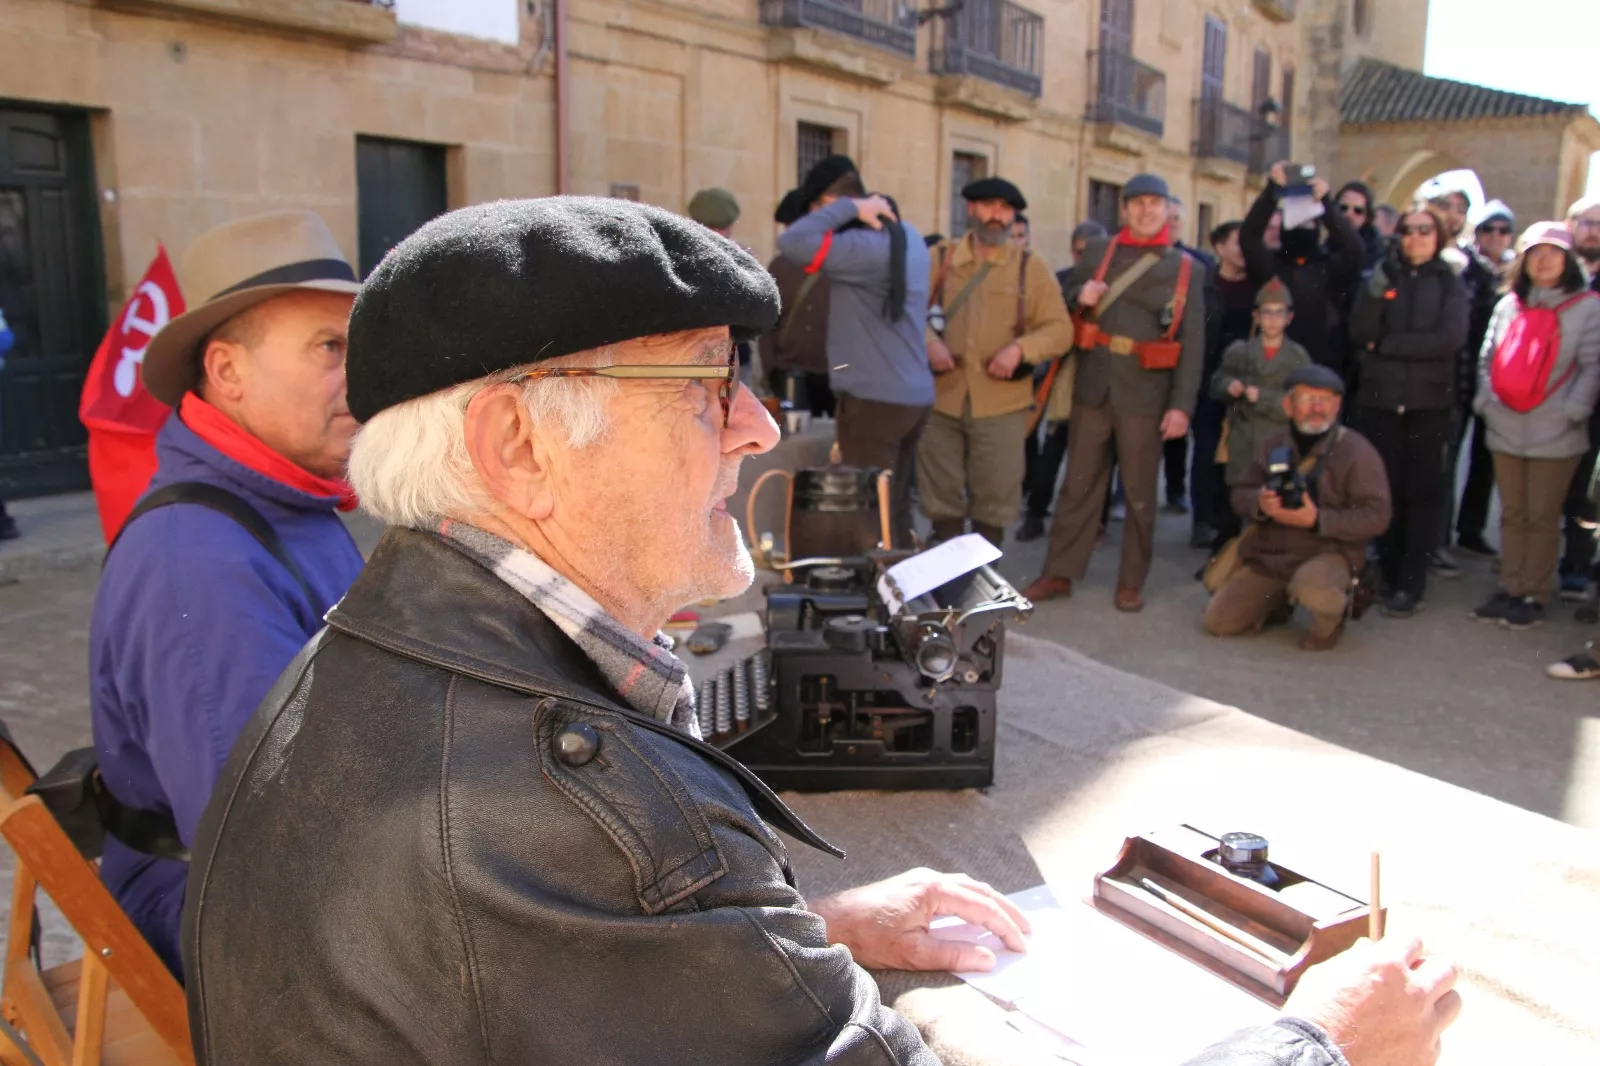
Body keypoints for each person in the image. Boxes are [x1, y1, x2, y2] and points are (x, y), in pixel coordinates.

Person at [183, 196, 1461, 1066]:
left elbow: (545, 981)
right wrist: (1322, 1041)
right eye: (700, 385)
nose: (753, 430)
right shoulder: (579, 823)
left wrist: (806, 932)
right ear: (515, 444)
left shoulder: (375, 644)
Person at [88, 211, 366, 978]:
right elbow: (262, 853)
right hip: (223, 924)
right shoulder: (198, 558)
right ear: (227, 372)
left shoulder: (294, 499)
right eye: (330, 348)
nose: (361, 375)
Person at [1022, 173, 1204, 613]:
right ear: (1124, 210)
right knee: (1078, 485)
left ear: (1166, 210)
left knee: (1141, 495)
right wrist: (1079, 294)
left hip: (1147, 392)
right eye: (1137, 203)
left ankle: (1131, 581)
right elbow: (1064, 304)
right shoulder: (1101, 252)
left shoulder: (1186, 269)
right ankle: (1059, 572)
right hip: (1094, 385)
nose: (1145, 211)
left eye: (1154, 203)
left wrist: (1181, 406)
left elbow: (1193, 343)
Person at [779, 156, 930, 547]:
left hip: (874, 403)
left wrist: (849, 209)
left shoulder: (866, 247)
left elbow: (792, 241)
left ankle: (881, 597)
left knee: (868, 515)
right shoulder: (908, 236)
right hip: (910, 397)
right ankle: (902, 591)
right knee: (893, 506)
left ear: (830, 202)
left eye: (818, 210)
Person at [920, 178, 1072, 547]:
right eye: (989, 206)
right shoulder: (939, 259)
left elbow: (1060, 329)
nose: (996, 216)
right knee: (941, 501)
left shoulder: (1030, 268)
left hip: (1002, 405)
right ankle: (946, 592)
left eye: (1005, 209)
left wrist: (1020, 350)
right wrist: (929, 342)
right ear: (971, 209)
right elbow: (905, 313)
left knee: (995, 502)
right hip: (941, 399)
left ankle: (982, 591)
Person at [1468, 222, 1600, 630]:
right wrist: (1487, 402)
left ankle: (1533, 593)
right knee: (1512, 512)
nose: (1543, 261)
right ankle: (1510, 585)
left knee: (1542, 516)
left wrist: (1571, 412)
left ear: (1568, 260)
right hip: (1506, 424)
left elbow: (1592, 366)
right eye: (1535, 253)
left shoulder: (1588, 306)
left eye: (1553, 253)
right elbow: (1488, 357)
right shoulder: (1508, 303)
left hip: (1557, 430)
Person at [1204, 365, 1392, 650]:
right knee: (1219, 622)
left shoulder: (1356, 451)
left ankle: (1330, 622)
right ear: (1288, 405)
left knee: (1314, 590)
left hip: (1327, 554)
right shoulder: (1272, 443)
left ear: (1337, 405)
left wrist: (1318, 520)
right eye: (1306, 399)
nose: (1317, 408)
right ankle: (1277, 602)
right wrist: (1260, 503)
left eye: (1325, 401)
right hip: (1272, 556)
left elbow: (1377, 517)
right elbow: (1240, 492)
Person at [1348, 201, 1469, 618]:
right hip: (1380, 400)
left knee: (1422, 494)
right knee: (1386, 490)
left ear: (1438, 237)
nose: (1415, 237)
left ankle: (1411, 582)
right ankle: (1389, 571)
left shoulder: (1449, 282)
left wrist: (1387, 346)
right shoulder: (1382, 276)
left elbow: (1448, 340)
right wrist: (1377, 303)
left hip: (1428, 403)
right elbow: (1361, 331)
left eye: (1424, 230)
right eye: (1409, 229)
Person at [1424, 182, 1501, 578]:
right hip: (1427, 384)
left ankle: (1454, 536)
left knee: (1459, 464)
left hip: (1466, 383)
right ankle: (1428, 542)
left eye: (1460, 207)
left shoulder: (1479, 272)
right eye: (1444, 205)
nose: (1452, 214)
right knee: (1434, 467)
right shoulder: (1410, 262)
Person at [1019, 220, 1107, 542]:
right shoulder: (1062, 282)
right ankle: (1036, 515)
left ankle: (1097, 523)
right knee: (1053, 450)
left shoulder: (1114, 284)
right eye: (1083, 252)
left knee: (1099, 457)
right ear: (1073, 251)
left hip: (1103, 376)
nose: (1088, 259)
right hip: (1067, 374)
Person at [1240, 162, 1365, 381]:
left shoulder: (1328, 267)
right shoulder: (1271, 265)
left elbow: (1355, 248)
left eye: (1310, 221)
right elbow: (1249, 237)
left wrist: (1326, 204)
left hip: (1320, 367)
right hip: (1275, 370)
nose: (1303, 226)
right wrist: (1271, 192)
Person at [1454, 203, 1519, 558]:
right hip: (1462, 381)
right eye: (1487, 229)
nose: (1494, 236)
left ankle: (1471, 530)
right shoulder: (1464, 270)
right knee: (1447, 463)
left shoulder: (1514, 279)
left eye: (1502, 230)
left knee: (1486, 461)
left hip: (1499, 384)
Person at [1210, 279, 1313, 490]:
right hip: (1243, 445)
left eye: (1279, 313)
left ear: (1289, 317)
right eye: (1267, 312)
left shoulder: (1298, 357)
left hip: (1279, 443)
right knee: (1241, 500)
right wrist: (1229, 386)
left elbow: (1303, 404)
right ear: (1256, 317)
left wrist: (1263, 398)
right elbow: (1216, 384)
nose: (1273, 319)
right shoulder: (1239, 351)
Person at [1193, 220, 1256, 549]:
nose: (1243, 250)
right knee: (1205, 450)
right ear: (1219, 248)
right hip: (1207, 377)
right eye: (1236, 243)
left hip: (1244, 380)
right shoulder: (1204, 284)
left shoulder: (1257, 286)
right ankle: (1202, 519)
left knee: (1235, 451)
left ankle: (1227, 516)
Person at [1555, 195, 1600, 599]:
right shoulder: (1553, 278)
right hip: (1551, 403)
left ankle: (1579, 567)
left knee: (1589, 491)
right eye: (1585, 222)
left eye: (1599, 224)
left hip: (1594, 405)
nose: (1592, 230)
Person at [760, 188, 835, 418]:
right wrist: (772, 368)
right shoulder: (779, 266)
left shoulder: (840, 263)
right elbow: (767, 324)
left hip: (834, 377)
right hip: (790, 374)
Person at [1335, 180, 1386, 270]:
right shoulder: (1327, 245)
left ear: (1367, 217)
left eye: (1358, 210)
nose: (1348, 214)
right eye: (1343, 208)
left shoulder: (1375, 254)